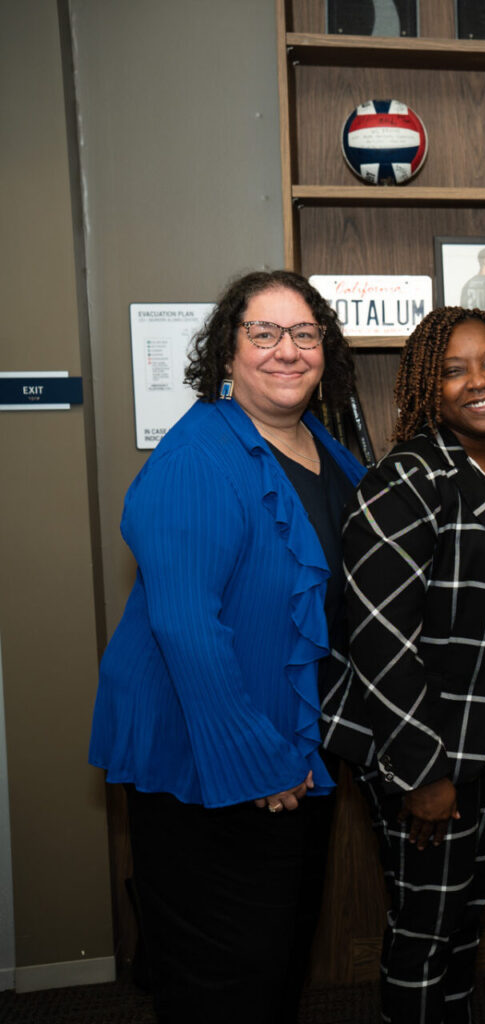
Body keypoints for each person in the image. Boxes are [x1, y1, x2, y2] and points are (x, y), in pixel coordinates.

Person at [89, 269, 365, 1022]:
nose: (287, 350)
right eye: (264, 332)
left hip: (294, 753)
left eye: (305, 333)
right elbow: (185, 627)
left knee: (275, 962)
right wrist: (255, 760)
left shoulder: (325, 449)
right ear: (227, 351)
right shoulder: (197, 457)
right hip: (213, 760)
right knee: (222, 979)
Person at [321, 307, 485, 1023]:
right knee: (426, 933)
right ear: (426, 387)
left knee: (463, 924)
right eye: (453, 370)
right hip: (426, 753)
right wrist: (423, 772)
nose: (477, 382)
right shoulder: (407, 481)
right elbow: (379, 637)